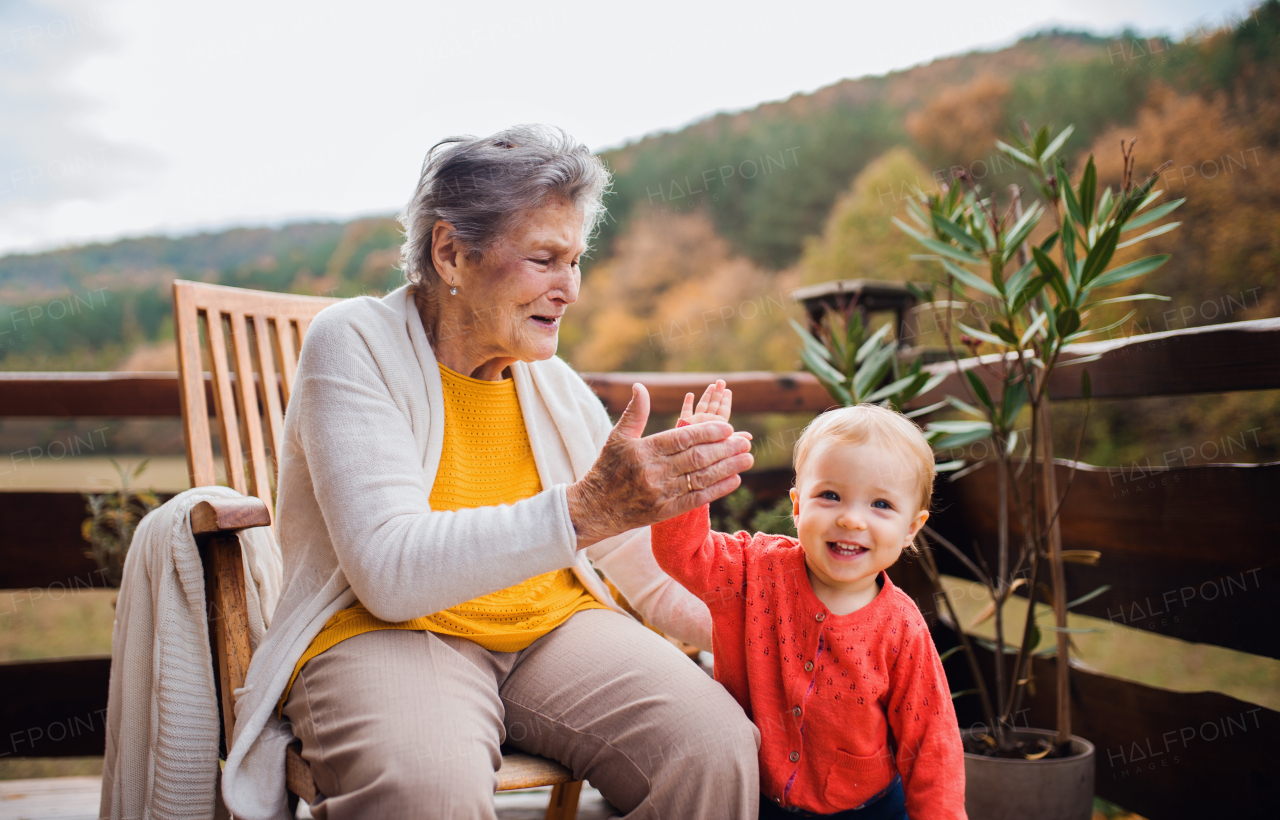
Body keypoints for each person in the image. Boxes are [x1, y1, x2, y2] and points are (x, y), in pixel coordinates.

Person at [220, 126, 760, 820]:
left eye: (575, 261)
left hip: (551, 626)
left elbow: (635, 563)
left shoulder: (552, 384)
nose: (569, 290)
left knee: (717, 747)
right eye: (544, 259)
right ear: (451, 252)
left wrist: (761, 631)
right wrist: (585, 508)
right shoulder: (352, 344)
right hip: (385, 634)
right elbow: (388, 575)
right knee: (426, 789)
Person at [652, 384, 966, 820]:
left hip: (869, 808)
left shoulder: (901, 628)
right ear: (797, 506)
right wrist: (692, 473)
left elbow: (931, 742)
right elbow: (682, 554)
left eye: (881, 504)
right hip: (758, 800)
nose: (851, 518)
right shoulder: (753, 571)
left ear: (911, 529)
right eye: (830, 496)